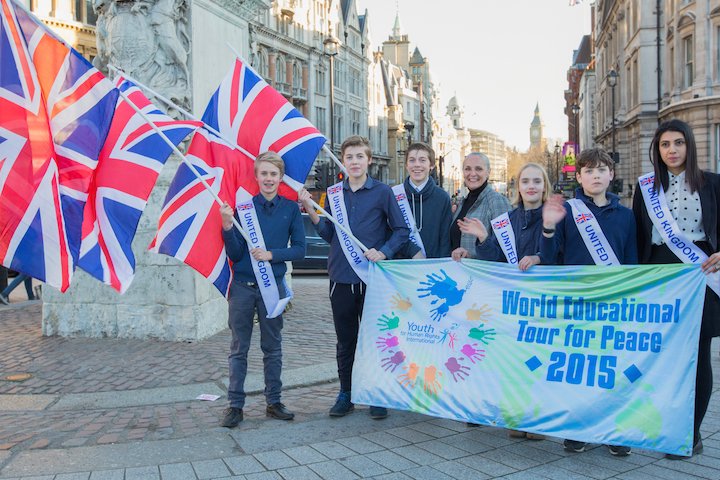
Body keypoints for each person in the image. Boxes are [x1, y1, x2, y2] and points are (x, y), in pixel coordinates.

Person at [298, 135, 409, 420]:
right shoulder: (334, 193)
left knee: (376, 338)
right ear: (343, 161)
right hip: (340, 276)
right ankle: (346, 393)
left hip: (372, 277)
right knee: (345, 340)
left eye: (360, 156)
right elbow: (329, 235)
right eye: (349, 157)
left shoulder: (383, 192)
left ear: (369, 160)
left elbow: (401, 231)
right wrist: (311, 209)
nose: (355, 162)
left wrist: (384, 252)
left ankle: (376, 393)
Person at [632, 119, 720, 460]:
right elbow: (640, 236)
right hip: (659, 274)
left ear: (689, 146)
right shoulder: (646, 188)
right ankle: (662, 425)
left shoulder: (712, 183)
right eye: (665, 144)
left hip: (700, 274)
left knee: (698, 357)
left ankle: (690, 434)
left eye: (678, 143)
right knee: (661, 356)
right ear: (658, 149)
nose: (672, 150)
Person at [541, 147, 637, 456]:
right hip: (577, 304)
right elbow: (549, 257)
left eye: (601, 170)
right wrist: (549, 226)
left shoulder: (626, 215)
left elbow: (632, 261)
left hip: (614, 304)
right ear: (579, 176)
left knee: (612, 368)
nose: (595, 176)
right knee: (580, 368)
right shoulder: (568, 211)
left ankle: (615, 431)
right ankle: (579, 428)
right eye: (589, 171)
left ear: (611, 174)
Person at [458, 162, 551, 440]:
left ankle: (537, 418)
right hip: (512, 302)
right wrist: (484, 239)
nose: (531, 186)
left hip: (542, 302)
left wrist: (539, 258)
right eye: (525, 181)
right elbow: (497, 258)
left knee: (538, 360)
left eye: (537, 181)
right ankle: (516, 414)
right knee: (513, 359)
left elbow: (559, 253)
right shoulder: (508, 219)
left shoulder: (555, 216)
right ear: (518, 187)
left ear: (544, 186)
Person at [219, 152, 306, 428]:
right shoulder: (243, 208)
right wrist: (227, 226)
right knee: (238, 348)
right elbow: (235, 253)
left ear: (281, 178)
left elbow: (300, 250)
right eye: (264, 173)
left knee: (272, 348)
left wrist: (272, 254)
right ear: (256, 176)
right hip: (243, 288)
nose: (268, 179)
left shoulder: (291, 209)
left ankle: (274, 402)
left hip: (273, 287)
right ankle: (235, 406)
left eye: (273, 174)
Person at [395, 142, 453, 259]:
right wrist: (412, 250)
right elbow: (388, 232)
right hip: (400, 267)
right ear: (406, 165)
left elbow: (445, 238)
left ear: (431, 165)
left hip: (433, 268)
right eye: (412, 160)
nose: (417, 165)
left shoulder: (442, 197)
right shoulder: (394, 195)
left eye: (422, 160)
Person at [451, 153, 511, 261]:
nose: (472, 174)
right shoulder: (463, 203)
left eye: (478, 169)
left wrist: (471, 255)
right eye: (468, 169)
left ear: (488, 172)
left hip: (481, 274)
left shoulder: (497, 201)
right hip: (459, 274)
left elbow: (505, 249)